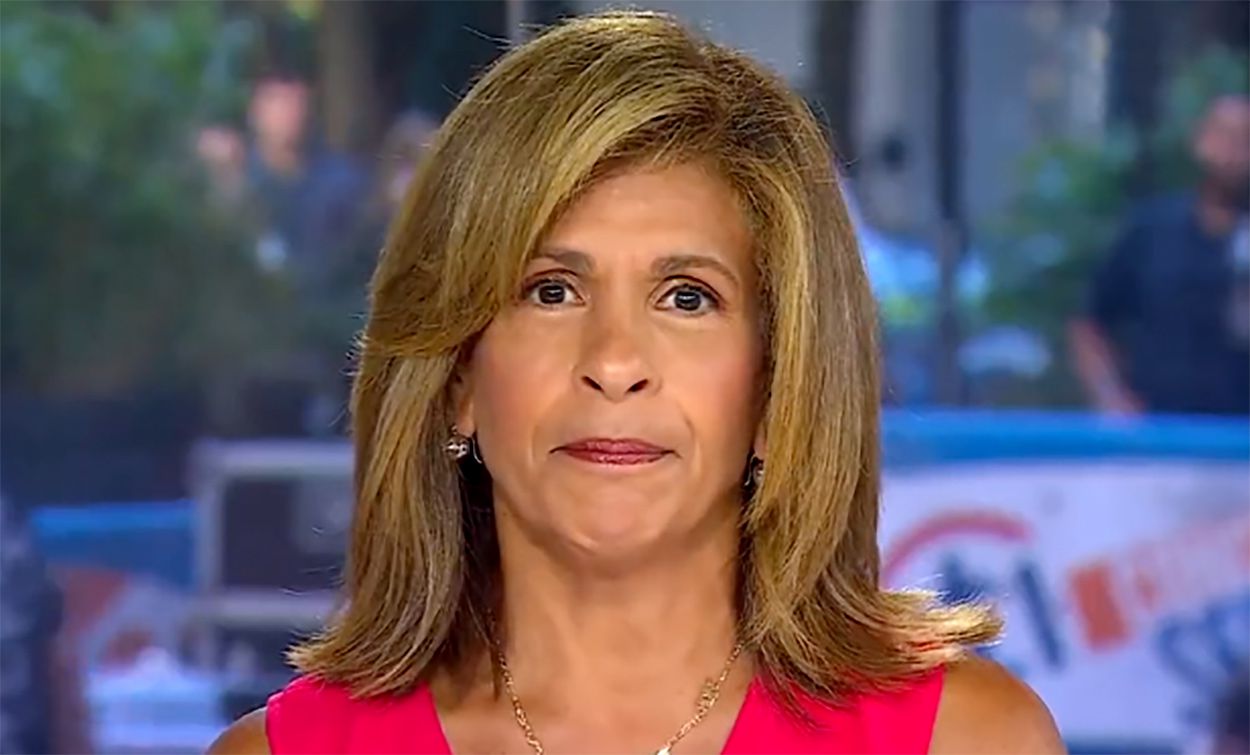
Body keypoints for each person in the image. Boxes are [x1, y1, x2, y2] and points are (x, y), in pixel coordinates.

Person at [210, 12, 1064, 754]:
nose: (615, 362)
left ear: (777, 387)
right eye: (551, 291)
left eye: (687, 297)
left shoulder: (966, 740)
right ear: (458, 378)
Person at [1070, 94, 1250, 418]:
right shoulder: (1151, 229)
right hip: (1156, 434)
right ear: (1200, 141)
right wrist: (1110, 399)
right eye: (1225, 136)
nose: (1234, 153)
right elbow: (1090, 324)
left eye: (1245, 141)